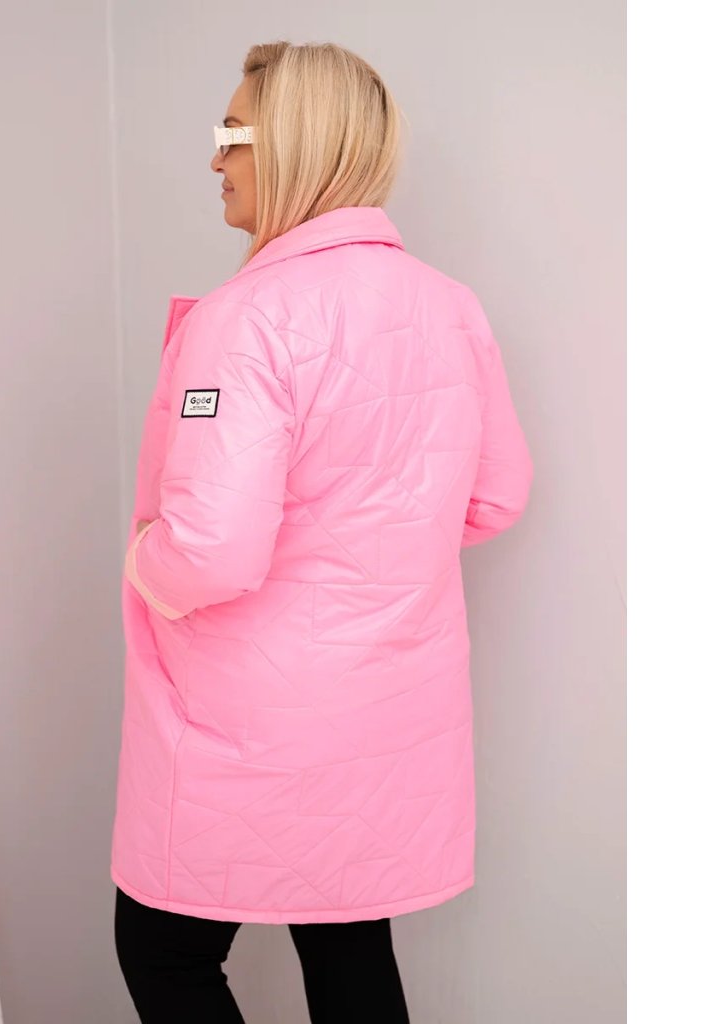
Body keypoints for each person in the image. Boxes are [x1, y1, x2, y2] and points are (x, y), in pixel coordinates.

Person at [111, 40, 534, 1023]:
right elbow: (495, 498)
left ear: (292, 143)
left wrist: (142, 559)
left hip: (248, 720)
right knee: (348, 944)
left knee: (163, 952)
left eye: (232, 134)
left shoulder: (245, 317)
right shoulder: (449, 306)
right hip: (386, 715)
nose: (215, 159)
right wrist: (376, 548)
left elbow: (210, 549)